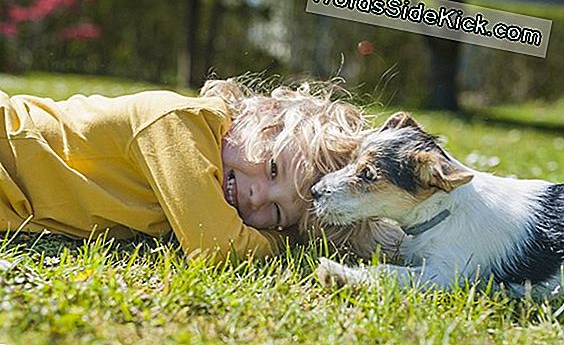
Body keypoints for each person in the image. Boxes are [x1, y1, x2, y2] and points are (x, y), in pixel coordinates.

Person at [0, 76, 369, 261]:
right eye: (272, 169)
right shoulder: (182, 123)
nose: (257, 197)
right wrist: (290, 241)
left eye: (276, 212)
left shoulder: (202, 192)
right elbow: (216, 249)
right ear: (264, 116)